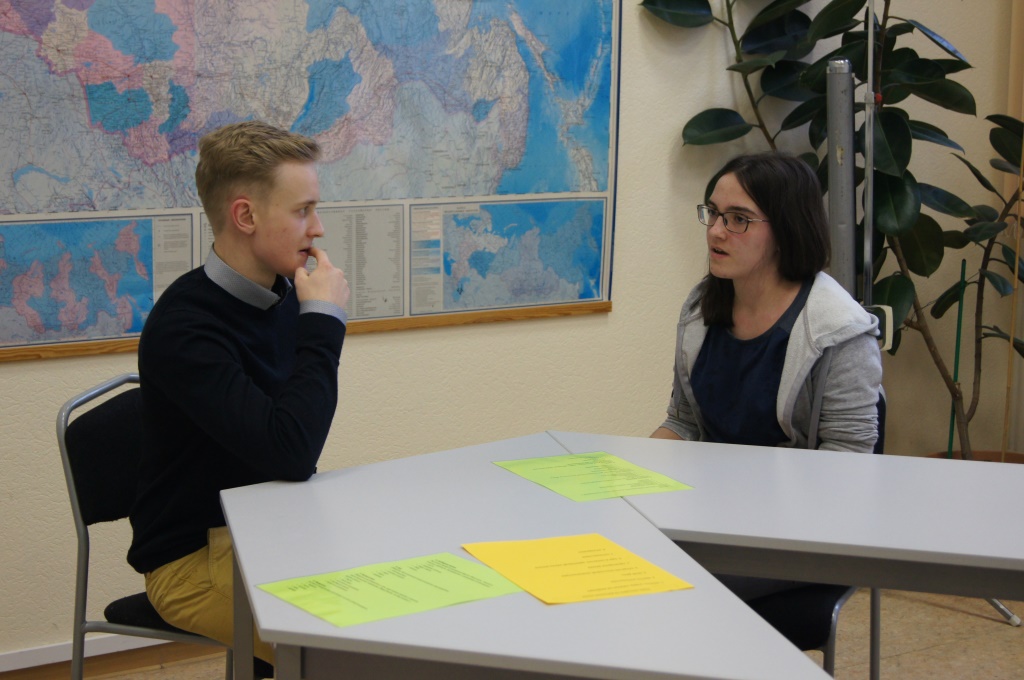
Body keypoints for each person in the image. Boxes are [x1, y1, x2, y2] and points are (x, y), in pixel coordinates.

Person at [127, 120, 350, 664]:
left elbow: (292, 445)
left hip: (276, 523)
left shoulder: (283, 294)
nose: (318, 228)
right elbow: (291, 451)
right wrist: (324, 321)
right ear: (246, 216)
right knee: (342, 659)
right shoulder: (186, 328)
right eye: (303, 211)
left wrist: (313, 315)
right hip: (194, 558)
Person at [651, 151, 882, 599]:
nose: (716, 231)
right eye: (713, 213)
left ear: (786, 230)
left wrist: (738, 506)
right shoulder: (702, 306)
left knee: (661, 585)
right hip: (709, 515)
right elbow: (682, 422)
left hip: (795, 535)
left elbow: (848, 470)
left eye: (738, 219)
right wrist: (621, 479)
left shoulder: (841, 331)